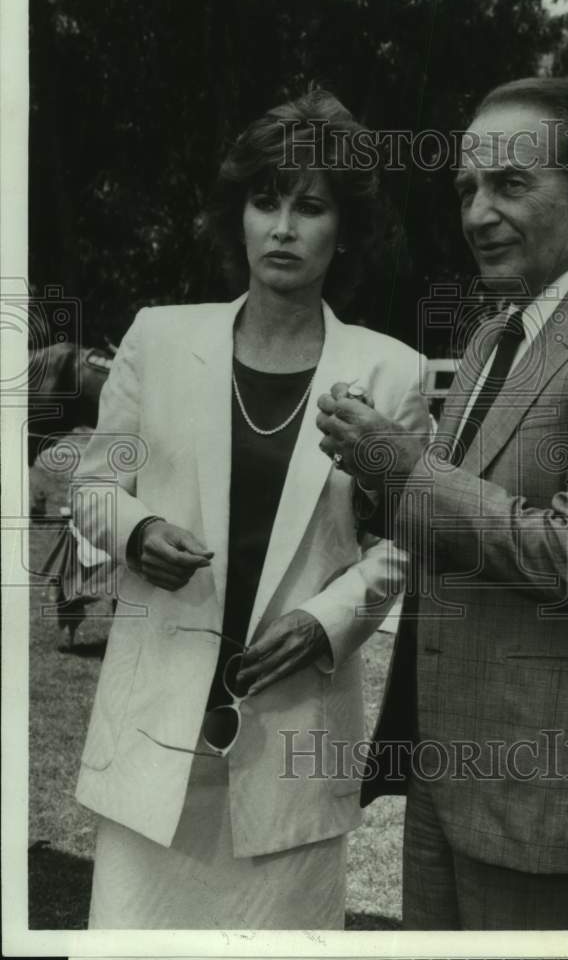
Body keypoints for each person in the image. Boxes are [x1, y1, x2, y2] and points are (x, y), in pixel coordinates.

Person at [317, 77, 568, 930]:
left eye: (508, 183)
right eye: (466, 187)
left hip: (542, 784)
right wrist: (372, 479)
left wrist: (399, 468)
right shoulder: (498, 330)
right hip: (441, 768)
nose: (476, 212)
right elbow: (454, 520)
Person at [72, 88, 430, 930]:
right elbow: (93, 487)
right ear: (235, 215)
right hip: (153, 743)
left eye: (309, 207)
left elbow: (404, 540)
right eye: (264, 201)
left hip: (293, 749)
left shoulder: (391, 372)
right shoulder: (158, 339)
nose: (281, 227)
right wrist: (135, 530)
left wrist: (326, 619)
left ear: (344, 231)